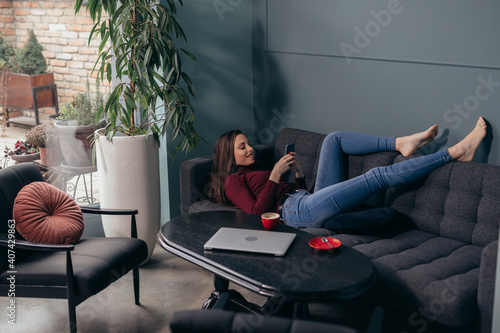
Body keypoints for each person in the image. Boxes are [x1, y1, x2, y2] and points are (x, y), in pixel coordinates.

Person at [210, 117, 487, 229]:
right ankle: (455, 153)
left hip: (305, 198)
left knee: (333, 139)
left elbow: (291, 192)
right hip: (297, 213)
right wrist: (274, 176)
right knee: (376, 176)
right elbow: (258, 213)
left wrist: (298, 174)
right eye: (242, 146)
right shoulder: (233, 181)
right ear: (228, 154)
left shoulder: (253, 169)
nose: (250, 148)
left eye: (248, 143)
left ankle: (399, 143)